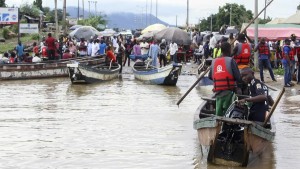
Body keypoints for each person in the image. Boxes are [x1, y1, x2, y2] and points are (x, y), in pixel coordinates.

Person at [208, 42, 242, 116]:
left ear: (221, 50)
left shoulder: (214, 61)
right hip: (229, 92)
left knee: (218, 113)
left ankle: (218, 121)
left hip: (217, 92)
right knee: (228, 113)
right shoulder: (231, 61)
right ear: (229, 50)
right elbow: (238, 78)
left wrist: (219, 77)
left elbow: (210, 76)